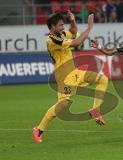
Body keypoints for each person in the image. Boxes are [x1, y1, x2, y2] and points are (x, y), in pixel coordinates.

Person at [32, 11, 108, 143]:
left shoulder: (61, 34)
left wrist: (72, 21)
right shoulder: (52, 40)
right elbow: (76, 42)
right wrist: (89, 27)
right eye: (60, 25)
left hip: (75, 72)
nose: (63, 27)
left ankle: (95, 110)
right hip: (64, 77)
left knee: (102, 79)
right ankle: (39, 129)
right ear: (53, 26)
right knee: (63, 104)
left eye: (63, 25)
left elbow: (72, 33)